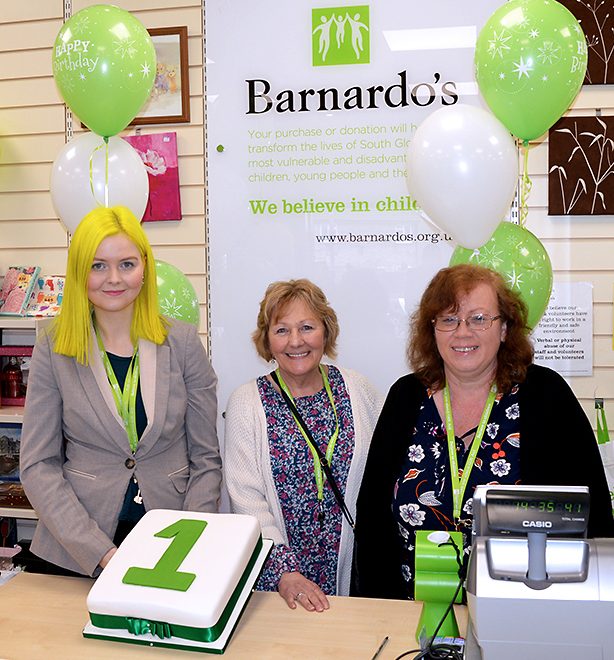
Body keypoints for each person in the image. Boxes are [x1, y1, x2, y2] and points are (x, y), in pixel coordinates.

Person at [352, 263, 614, 600]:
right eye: (449, 319)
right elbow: (373, 517)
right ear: (432, 330)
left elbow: (592, 517)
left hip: (526, 611)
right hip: (411, 614)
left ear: (504, 328)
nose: (463, 332)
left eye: (478, 318)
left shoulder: (547, 397)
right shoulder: (405, 398)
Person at [20, 206, 222, 577]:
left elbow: (206, 461)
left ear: (145, 268)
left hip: (172, 548)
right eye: (98, 265)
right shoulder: (53, 345)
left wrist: (188, 541)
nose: (114, 278)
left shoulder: (182, 342)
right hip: (79, 551)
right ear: (80, 272)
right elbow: (38, 465)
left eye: (127, 264)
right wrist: (101, 553)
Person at [224, 279, 382, 612]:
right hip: (278, 584)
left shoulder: (358, 390)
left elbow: (382, 478)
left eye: (307, 327)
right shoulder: (245, 402)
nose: (295, 342)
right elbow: (245, 498)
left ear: (326, 331)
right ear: (267, 339)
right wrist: (285, 572)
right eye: (282, 330)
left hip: (354, 575)